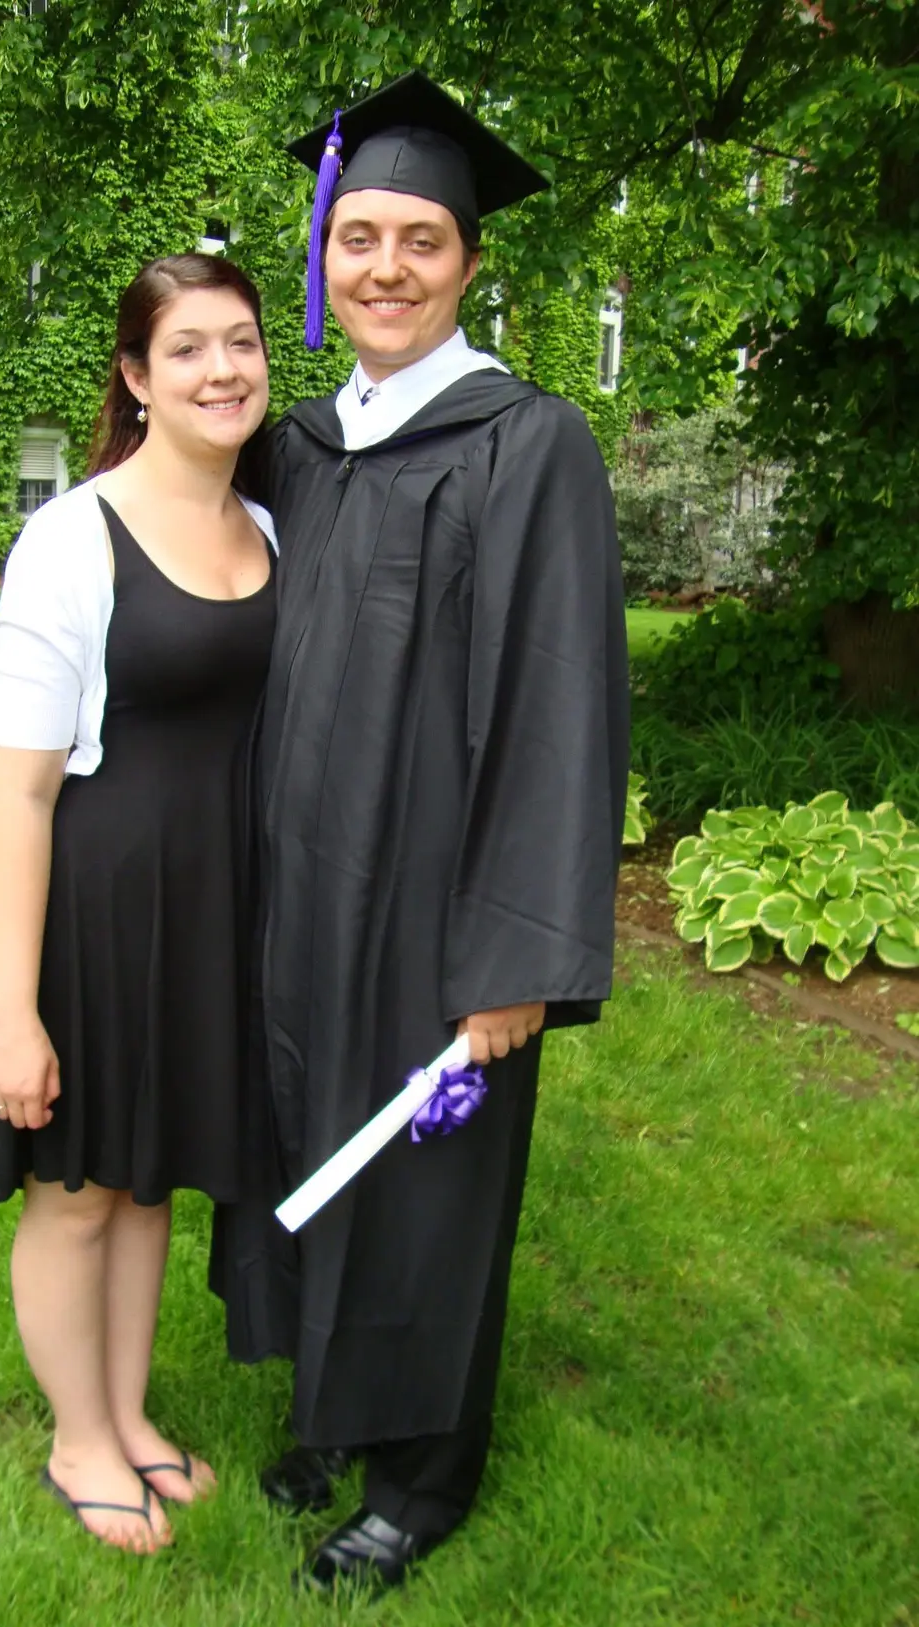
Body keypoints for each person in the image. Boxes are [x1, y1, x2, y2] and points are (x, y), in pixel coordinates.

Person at [211, 72, 630, 1592]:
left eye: (423, 241)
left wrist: (516, 956)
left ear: (469, 261)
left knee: (429, 1180)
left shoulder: (529, 445)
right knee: (310, 1129)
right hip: (300, 887)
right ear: (323, 252)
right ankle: (333, 1411)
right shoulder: (303, 446)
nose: (385, 268)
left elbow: (562, 707)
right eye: (358, 237)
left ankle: (420, 1478)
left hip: (439, 904)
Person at [0, 253, 275, 1555]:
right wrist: (14, 1013)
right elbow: (19, 795)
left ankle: (129, 1414)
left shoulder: (269, 529)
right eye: (187, 348)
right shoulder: (72, 539)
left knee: (151, 1184)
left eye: (242, 341)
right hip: (92, 919)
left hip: (204, 915)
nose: (222, 369)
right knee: (81, 1190)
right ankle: (77, 1439)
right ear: (137, 379)